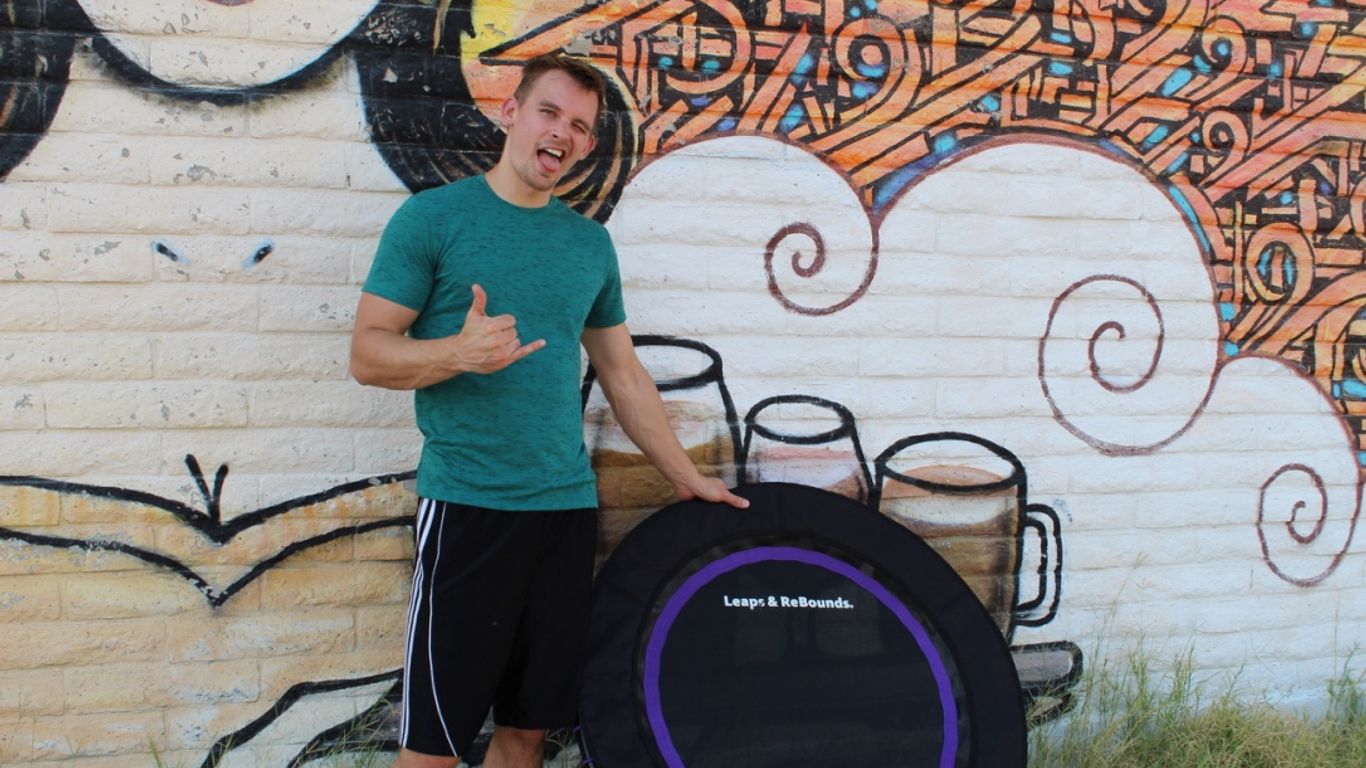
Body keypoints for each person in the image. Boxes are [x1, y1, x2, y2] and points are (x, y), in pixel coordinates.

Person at [349, 53, 749, 768]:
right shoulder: (432, 220)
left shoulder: (588, 245)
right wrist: (456, 354)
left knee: (527, 733)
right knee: (434, 747)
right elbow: (369, 354)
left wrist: (687, 476)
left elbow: (622, 374)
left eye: (580, 126)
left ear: (587, 146)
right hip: (469, 511)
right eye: (549, 112)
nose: (562, 132)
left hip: (564, 515)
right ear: (511, 113)